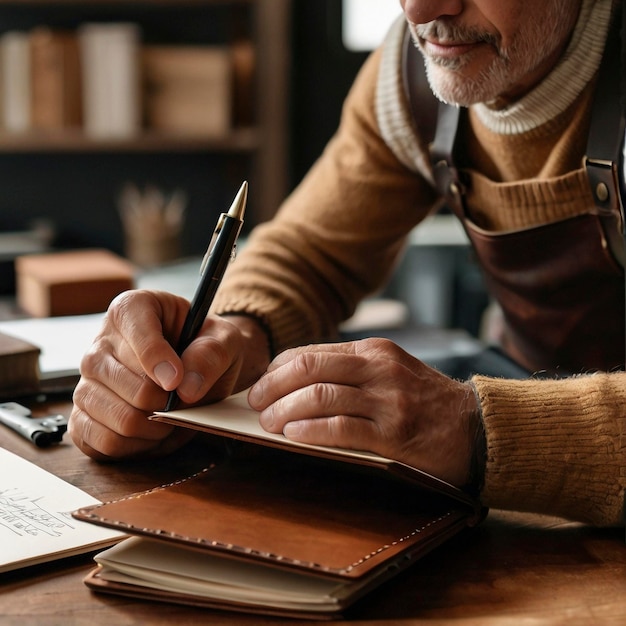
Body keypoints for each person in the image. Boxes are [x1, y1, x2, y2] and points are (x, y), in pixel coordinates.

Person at [70, 0, 626, 527]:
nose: (419, 12)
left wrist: (476, 429)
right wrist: (231, 341)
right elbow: (310, 254)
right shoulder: (415, 72)